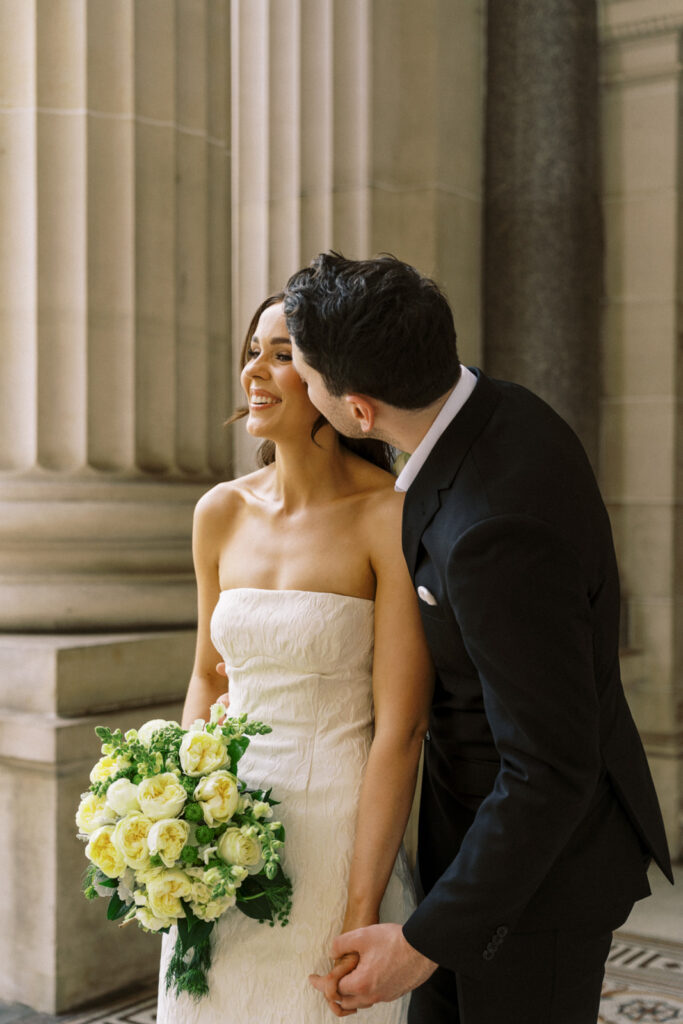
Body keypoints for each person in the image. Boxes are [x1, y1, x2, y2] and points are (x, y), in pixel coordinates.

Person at [283, 253, 674, 1024]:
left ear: (360, 411)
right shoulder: (490, 407)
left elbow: (549, 767)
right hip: (477, 857)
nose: (294, 384)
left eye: (304, 375)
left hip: (533, 891)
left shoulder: (494, 528)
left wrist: (427, 939)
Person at [155, 293, 434, 1024]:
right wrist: (182, 823)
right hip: (222, 840)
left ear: (329, 385)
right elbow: (206, 675)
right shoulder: (217, 512)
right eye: (253, 350)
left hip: (334, 835)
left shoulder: (389, 515)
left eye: (283, 356)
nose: (256, 370)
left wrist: (360, 901)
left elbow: (400, 729)